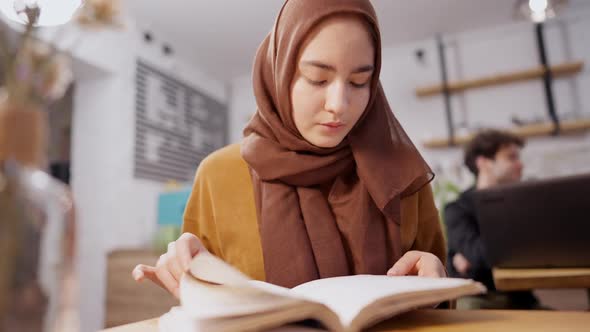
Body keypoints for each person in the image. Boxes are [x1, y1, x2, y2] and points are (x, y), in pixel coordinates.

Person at [133, 0, 447, 298]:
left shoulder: (400, 177)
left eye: (359, 82)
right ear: (279, 73)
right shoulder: (218, 177)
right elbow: (203, 307)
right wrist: (188, 274)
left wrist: (436, 284)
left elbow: (438, 297)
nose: (338, 105)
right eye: (317, 78)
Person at [445, 129, 541, 309]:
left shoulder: (526, 202)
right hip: (480, 299)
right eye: (511, 158)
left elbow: (544, 249)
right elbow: (479, 255)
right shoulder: (457, 209)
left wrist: (470, 260)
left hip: (523, 299)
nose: (520, 165)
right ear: (484, 163)